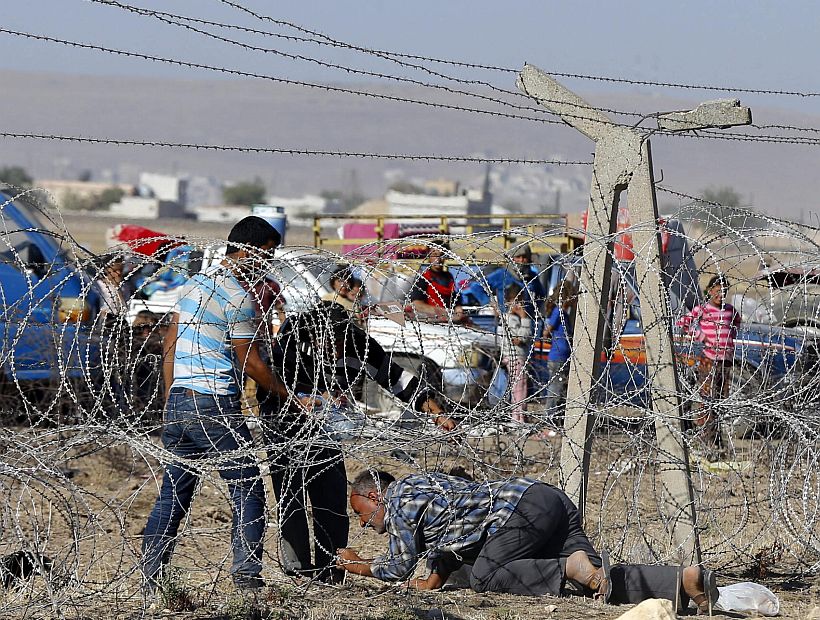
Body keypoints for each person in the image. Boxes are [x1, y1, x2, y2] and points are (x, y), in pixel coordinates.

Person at [141, 216, 292, 592]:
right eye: (268, 253)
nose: (269, 263)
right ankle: (247, 580)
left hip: (180, 402)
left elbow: (170, 343)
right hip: (214, 405)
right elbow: (251, 363)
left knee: (173, 494)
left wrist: (171, 398)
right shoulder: (238, 297)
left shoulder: (192, 285)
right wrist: (290, 396)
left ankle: (152, 579)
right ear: (250, 250)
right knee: (247, 488)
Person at [260, 301, 455, 584]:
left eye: (338, 342)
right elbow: (271, 378)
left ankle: (332, 566)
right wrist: (307, 395)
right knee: (291, 495)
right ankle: (298, 570)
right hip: (283, 421)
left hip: (324, 425)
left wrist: (435, 411)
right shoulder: (294, 337)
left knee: (331, 495)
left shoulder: (359, 344)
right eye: (326, 342)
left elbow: (395, 378)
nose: (333, 349)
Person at [337, 471, 719, 614]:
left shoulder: (400, 498)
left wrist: (357, 565)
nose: (363, 523)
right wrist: (433, 579)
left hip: (519, 510)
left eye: (360, 513)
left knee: (485, 576)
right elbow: (454, 538)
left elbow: (399, 565)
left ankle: (567, 566)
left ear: (374, 496)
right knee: (595, 582)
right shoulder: (424, 485)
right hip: (544, 498)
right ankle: (681, 581)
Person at [677, 275, 741, 454]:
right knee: (707, 399)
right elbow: (683, 322)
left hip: (725, 361)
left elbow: (737, 322)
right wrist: (701, 336)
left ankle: (717, 437)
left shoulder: (730, 310)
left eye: (724, 291)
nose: (721, 295)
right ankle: (705, 438)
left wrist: (730, 338)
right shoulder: (703, 309)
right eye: (718, 291)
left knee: (720, 400)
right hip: (708, 359)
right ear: (710, 291)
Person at [496, 283, 531, 423]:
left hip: (514, 356)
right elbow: (520, 339)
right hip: (515, 357)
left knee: (518, 387)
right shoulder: (510, 319)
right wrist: (525, 318)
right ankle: (518, 419)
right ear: (508, 302)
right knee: (519, 389)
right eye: (516, 301)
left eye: (521, 301)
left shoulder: (509, 318)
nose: (519, 305)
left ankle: (518, 417)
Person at [409, 241, 465, 322]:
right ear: (429, 256)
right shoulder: (423, 278)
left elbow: (455, 300)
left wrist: (458, 311)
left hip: (450, 320)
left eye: (442, 255)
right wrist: (443, 312)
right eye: (434, 255)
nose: (438, 259)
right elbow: (417, 304)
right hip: (432, 321)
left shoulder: (448, 277)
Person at [544, 280, 575, 419]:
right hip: (558, 357)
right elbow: (547, 331)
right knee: (555, 389)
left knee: (561, 389)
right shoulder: (558, 312)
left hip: (563, 356)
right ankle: (550, 417)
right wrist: (555, 340)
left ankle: (557, 416)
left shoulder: (565, 315)